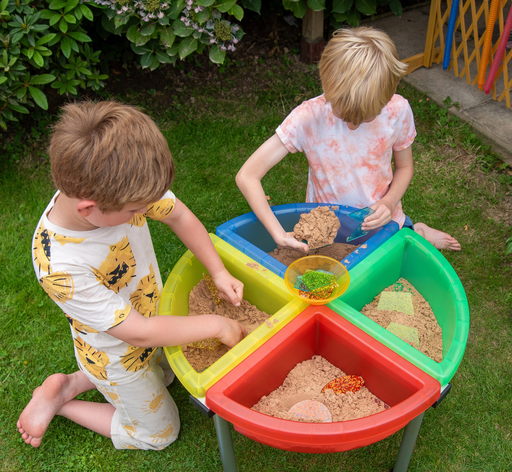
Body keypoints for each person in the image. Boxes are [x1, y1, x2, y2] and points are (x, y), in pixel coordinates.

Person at [17, 100, 247, 450]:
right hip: (116, 355)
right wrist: (217, 325)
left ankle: (72, 382)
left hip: (150, 318)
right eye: (137, 210)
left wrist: (217, 271)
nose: (146, 211)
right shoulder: (60, 266)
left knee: (167, 375)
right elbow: (138, 333)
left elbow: (178, 215)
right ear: (88, 208)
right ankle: (62, 402)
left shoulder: (116, 186)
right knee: (161, 433)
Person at [236, 26, 461, 252]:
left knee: (403, 257)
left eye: (367, 116)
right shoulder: (309, 118)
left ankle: (419, 231)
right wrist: (279, 234)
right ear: (328, 87)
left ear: (387, 96)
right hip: (326, 228)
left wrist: (389, 202)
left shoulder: (397, 110)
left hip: (381, 222)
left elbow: (405, 167)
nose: (355, 124)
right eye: (346, 116)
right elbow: (247, 176)